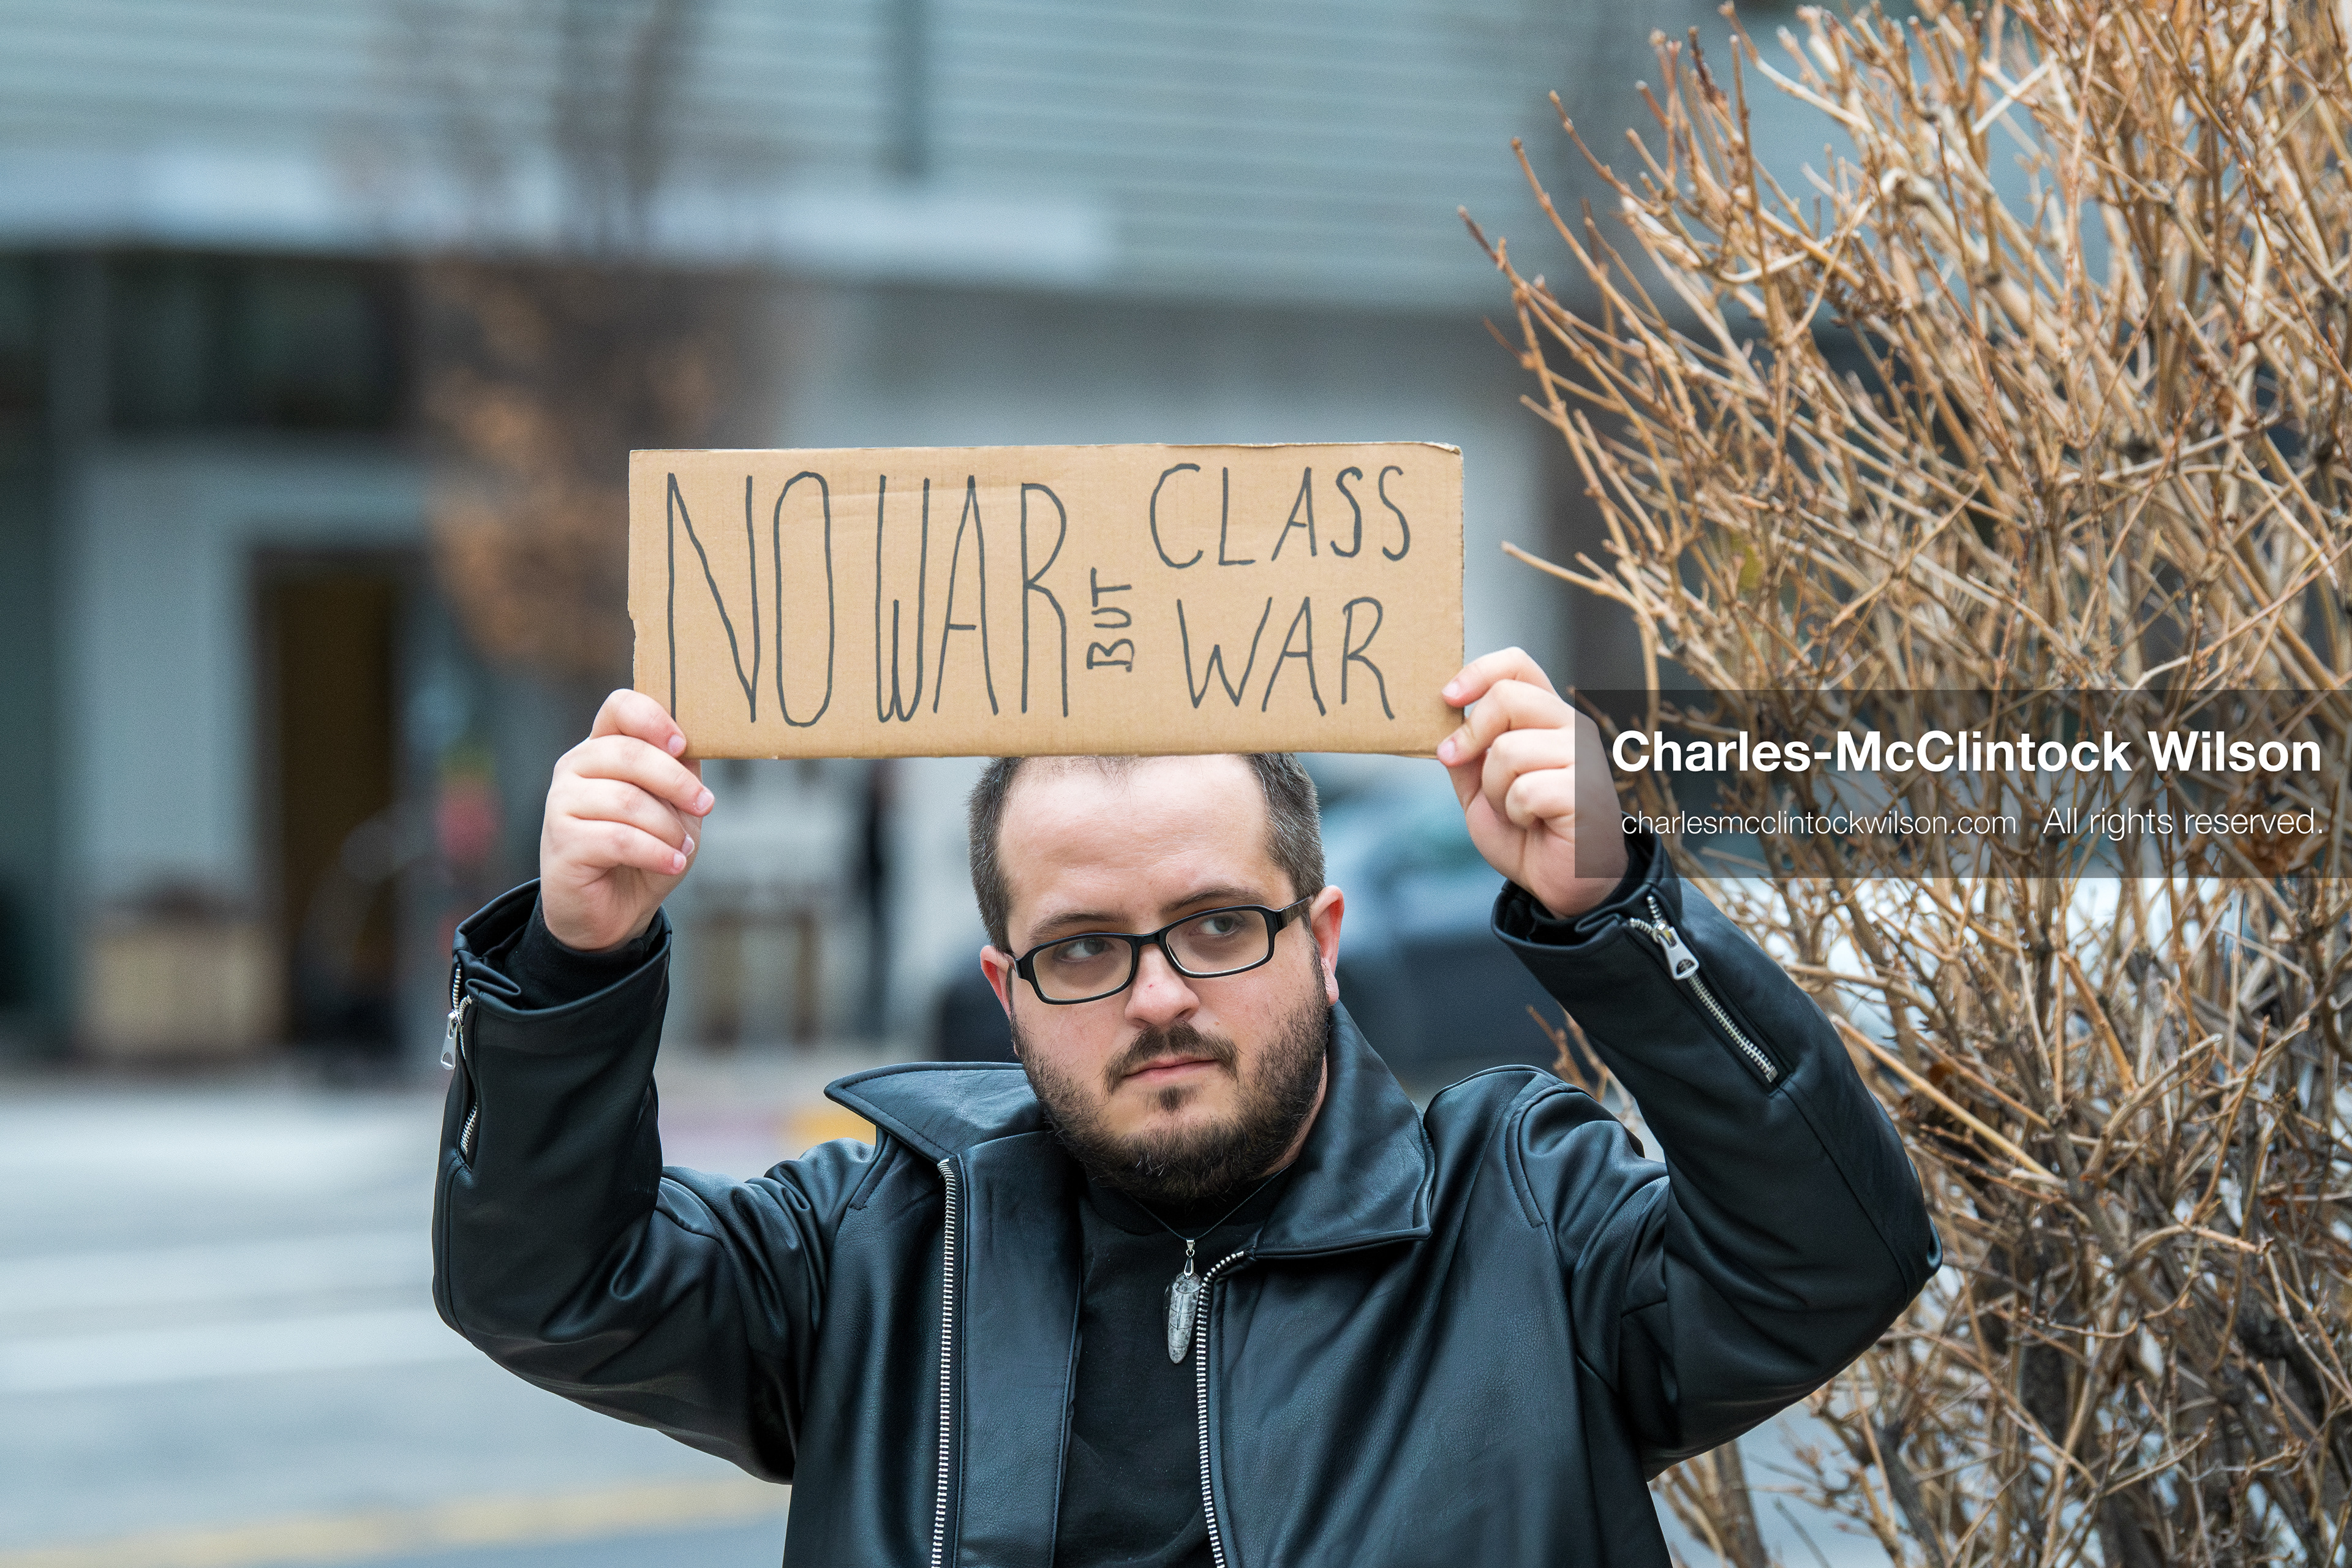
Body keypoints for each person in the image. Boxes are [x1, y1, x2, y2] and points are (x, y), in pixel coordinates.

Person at [432, 647, 1937, 1567]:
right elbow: (547, 1279)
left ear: (1326, 939)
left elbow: (1832, 1254)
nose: (1159, 994)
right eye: (1084, 946)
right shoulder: (873, 1249)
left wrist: (1621, 914)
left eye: (1219, 923)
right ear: (1006, 985)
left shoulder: (1523, 1217)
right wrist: (577, 959)